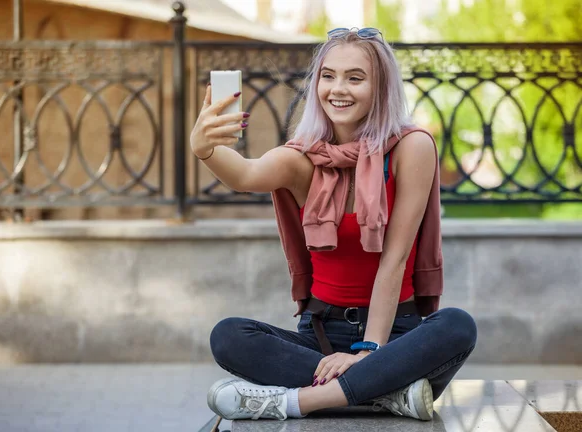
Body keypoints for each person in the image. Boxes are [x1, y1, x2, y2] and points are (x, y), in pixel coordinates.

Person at [191, 27, 477, 422]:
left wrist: (369, 352)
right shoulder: (303, 157)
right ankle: (386, 394)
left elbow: (394, 261)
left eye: (355, 78)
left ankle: (299, 401)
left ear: (381, 88)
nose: (337, 89)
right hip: (321, 336)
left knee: (458, 326)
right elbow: (245, 175)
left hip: (395, 336)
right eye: (328, 75)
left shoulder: (412, 147)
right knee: (228, 336)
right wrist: (204, 147)